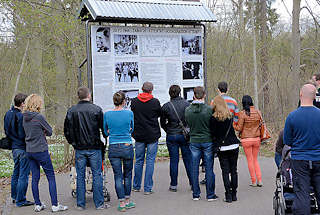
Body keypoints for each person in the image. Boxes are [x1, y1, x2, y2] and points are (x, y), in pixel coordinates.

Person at [23, 94, 68, 212]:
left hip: (29, 150)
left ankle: (38, 204)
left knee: (35, 178)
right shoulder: (39, 117)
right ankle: (55, 205)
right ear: (38, 104)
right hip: (41, 150)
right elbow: (50, 132)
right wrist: (42, 131)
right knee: (51, 177)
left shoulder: (23, 117)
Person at [64, 87, 107, 210]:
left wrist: (73, 143)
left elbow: (66, 131)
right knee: (97, 174)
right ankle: (99, 203)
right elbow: (103, 129)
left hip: (80, 148)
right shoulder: (97, 109)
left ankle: (80, 204)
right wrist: (104, 137)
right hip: (94, 147)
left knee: (80, 175)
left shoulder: (71, 111)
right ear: (89, 95)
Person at [284, 84, 320, 215]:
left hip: (299, 160)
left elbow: (287, 141)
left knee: (301, 195)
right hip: (318, 158)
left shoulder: (292, 117)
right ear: (315, 97)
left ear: (300, 95)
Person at [104, 91, 135, 212]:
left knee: (118, 175)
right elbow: (132, 129)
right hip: (127, 145)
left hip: (113, 146)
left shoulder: (107, 114)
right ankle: (128, 200)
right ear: (124, 101)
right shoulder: (129, 113)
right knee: (127, 175)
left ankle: (121, 203)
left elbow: (106, 133)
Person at [185, 86, 218, 201]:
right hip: (207, 140)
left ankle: (196, 194)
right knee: (209, 168)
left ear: (193, 95)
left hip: (194, 141)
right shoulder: (209, 109)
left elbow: (188, 124)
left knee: (194, 168)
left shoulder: (188, 110)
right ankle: (210, 195)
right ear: (204, 95)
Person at [160, 85, 192, 192]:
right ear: (180, 92)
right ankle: (192, 183)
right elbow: (189, 120)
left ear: (170, 93)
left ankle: (173, 185)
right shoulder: (187, 104)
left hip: (172, 135)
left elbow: (162, 123)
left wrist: (168, 130)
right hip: (184, 135)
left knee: (174, 161)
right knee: (188, 160)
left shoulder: (166, 106)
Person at [131, 82, 161, 195]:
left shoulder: (134, 101)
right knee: (150, 161)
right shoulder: (155, 102)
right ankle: (148, 188)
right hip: (152, 134)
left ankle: (136, 186)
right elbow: (158, 114)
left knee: (138, 160)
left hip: (139, 134)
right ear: (151, 90)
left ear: (142, 89)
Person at [4, 93, 34, 207]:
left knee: (16, 173)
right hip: (22, 147)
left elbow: (6, 130)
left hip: (14, 148)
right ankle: (21, 200)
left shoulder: (8, 113)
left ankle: (14, 196)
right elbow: (22, 134)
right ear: (22, 104)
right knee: (23, 175)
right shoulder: (21, 116)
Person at [210, 96, 240, 203]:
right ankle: (234, 194)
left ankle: (228, 195)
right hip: (234, 146)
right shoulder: (229, 116)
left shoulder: (213, 119)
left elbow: (213, 134)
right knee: (234, 170)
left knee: (225, 172)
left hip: (222, 147)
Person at [234, 95, 263, 187]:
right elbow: (261, 125)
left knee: (250, 160)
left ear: (243, 103)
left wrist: (233, 125)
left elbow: (239, 128)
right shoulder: (258, 112)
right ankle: (260, 180)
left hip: (246, 140)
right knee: (255, 160)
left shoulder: (242, 114)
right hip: (257, 139)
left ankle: (253, 181)